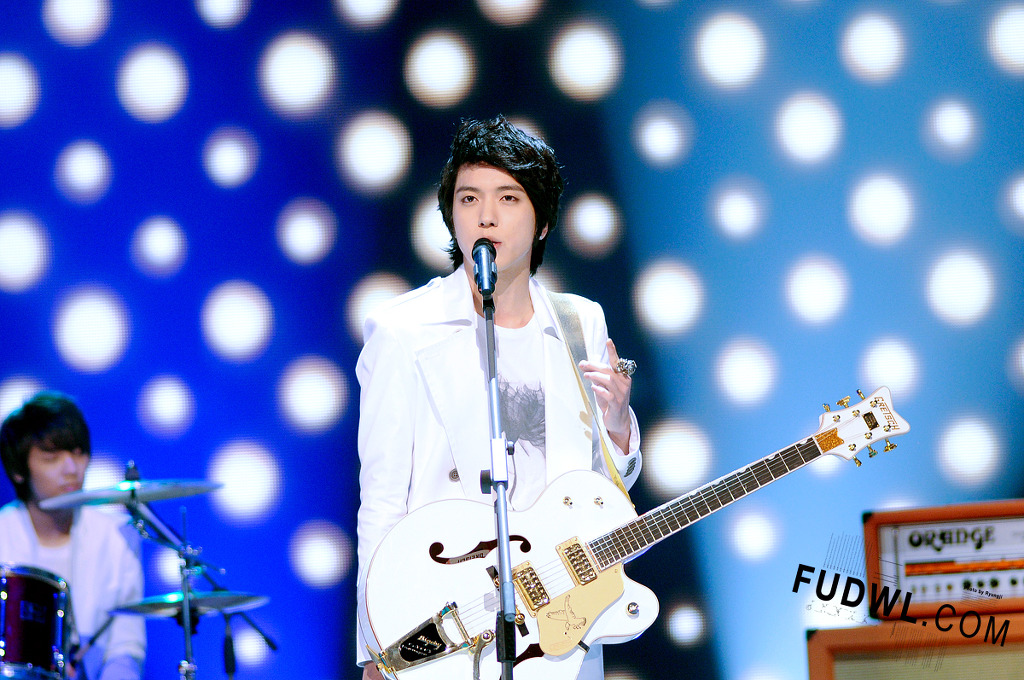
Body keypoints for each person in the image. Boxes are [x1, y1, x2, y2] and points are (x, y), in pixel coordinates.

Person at [355, 116, 642, 679]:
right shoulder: (403, 330)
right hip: (448, 616)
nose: (485, 215)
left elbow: (600, 494)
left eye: (508, 198)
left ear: (542, 222)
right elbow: (381, 500)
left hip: (559, 624)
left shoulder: (579, 322)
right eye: (469, 198)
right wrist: (377, 647)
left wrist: (618, 427)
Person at [0, 391, 146, 680]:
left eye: (78, 453)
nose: (71, 469)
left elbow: (126, 646)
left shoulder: (117, 535)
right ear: (19, 470)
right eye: (52, 457)